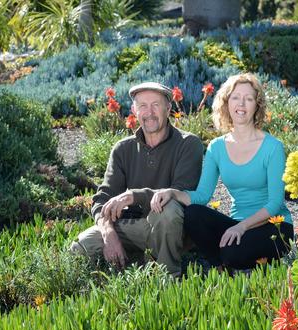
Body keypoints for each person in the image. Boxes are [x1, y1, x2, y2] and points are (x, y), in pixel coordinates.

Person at [150, 73, 293, 271]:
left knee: (233, 252)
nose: (241, 104)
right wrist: (172, 192)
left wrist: (242, 227)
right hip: (236, 223)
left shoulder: (273, 147)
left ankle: (227, 260)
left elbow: (275, 203)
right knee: (193, 214)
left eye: (249, 98)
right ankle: (223, 264)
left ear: (257, 105)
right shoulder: (216, 147)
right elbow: (202, 196)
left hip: (275, 226)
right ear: (226, 103)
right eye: (235, 97)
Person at [70, 82, 204, 276]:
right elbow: (102, 199)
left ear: (168, 108)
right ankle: (140, 265)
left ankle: (169, 278)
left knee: (168, 208)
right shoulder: (123, 149)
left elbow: (182, 190)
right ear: (134, 110)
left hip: (171, 229)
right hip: (133, 227)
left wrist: (133, 196)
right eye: (142, 106)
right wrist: (109, 233)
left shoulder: (189, 144)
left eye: (156, 105)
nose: (149, 112)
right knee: (80, 248)